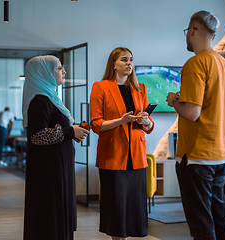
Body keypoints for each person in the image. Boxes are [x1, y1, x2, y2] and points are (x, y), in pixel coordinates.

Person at [166, 10, 225, 240]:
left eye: (188, 31)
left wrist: (174, 100)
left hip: (197, 156)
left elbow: (192, 113)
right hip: (221, 154)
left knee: (201, 225)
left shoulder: (195, 64)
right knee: (219, 219)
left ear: (193, 30)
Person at [22, 55, 90, 240]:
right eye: (59, 68)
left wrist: (73, 132)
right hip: (48, 172)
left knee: (58, 213)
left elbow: (52, 132)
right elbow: (38, 136)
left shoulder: (51, 98)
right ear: (43, 73)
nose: (64, 72)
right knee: (50, 216)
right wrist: (69, 132)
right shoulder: (39, 102)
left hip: (58, 167)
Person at [90, 47, 154, 240]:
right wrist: (121, 120)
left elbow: (148, 125)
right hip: (113, 155)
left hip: (137, 156)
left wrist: (146, 121)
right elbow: (96, 124)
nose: (129, 63)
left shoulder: (140, 88)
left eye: (131, 60)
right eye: (124, 60)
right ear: (113, 64)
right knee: (117, 207)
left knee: (135, 207)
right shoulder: (100, 87)